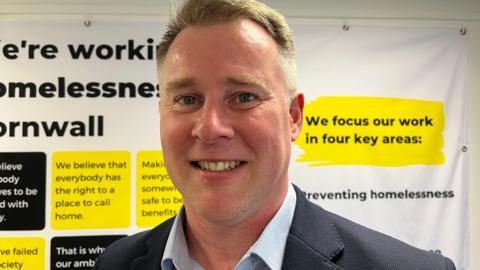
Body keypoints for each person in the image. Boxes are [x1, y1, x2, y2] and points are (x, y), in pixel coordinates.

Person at [93, 0, 456, 269]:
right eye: (187, 99)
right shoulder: (114, 263)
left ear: (293, 116)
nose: (211, 127)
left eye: (244, 97)